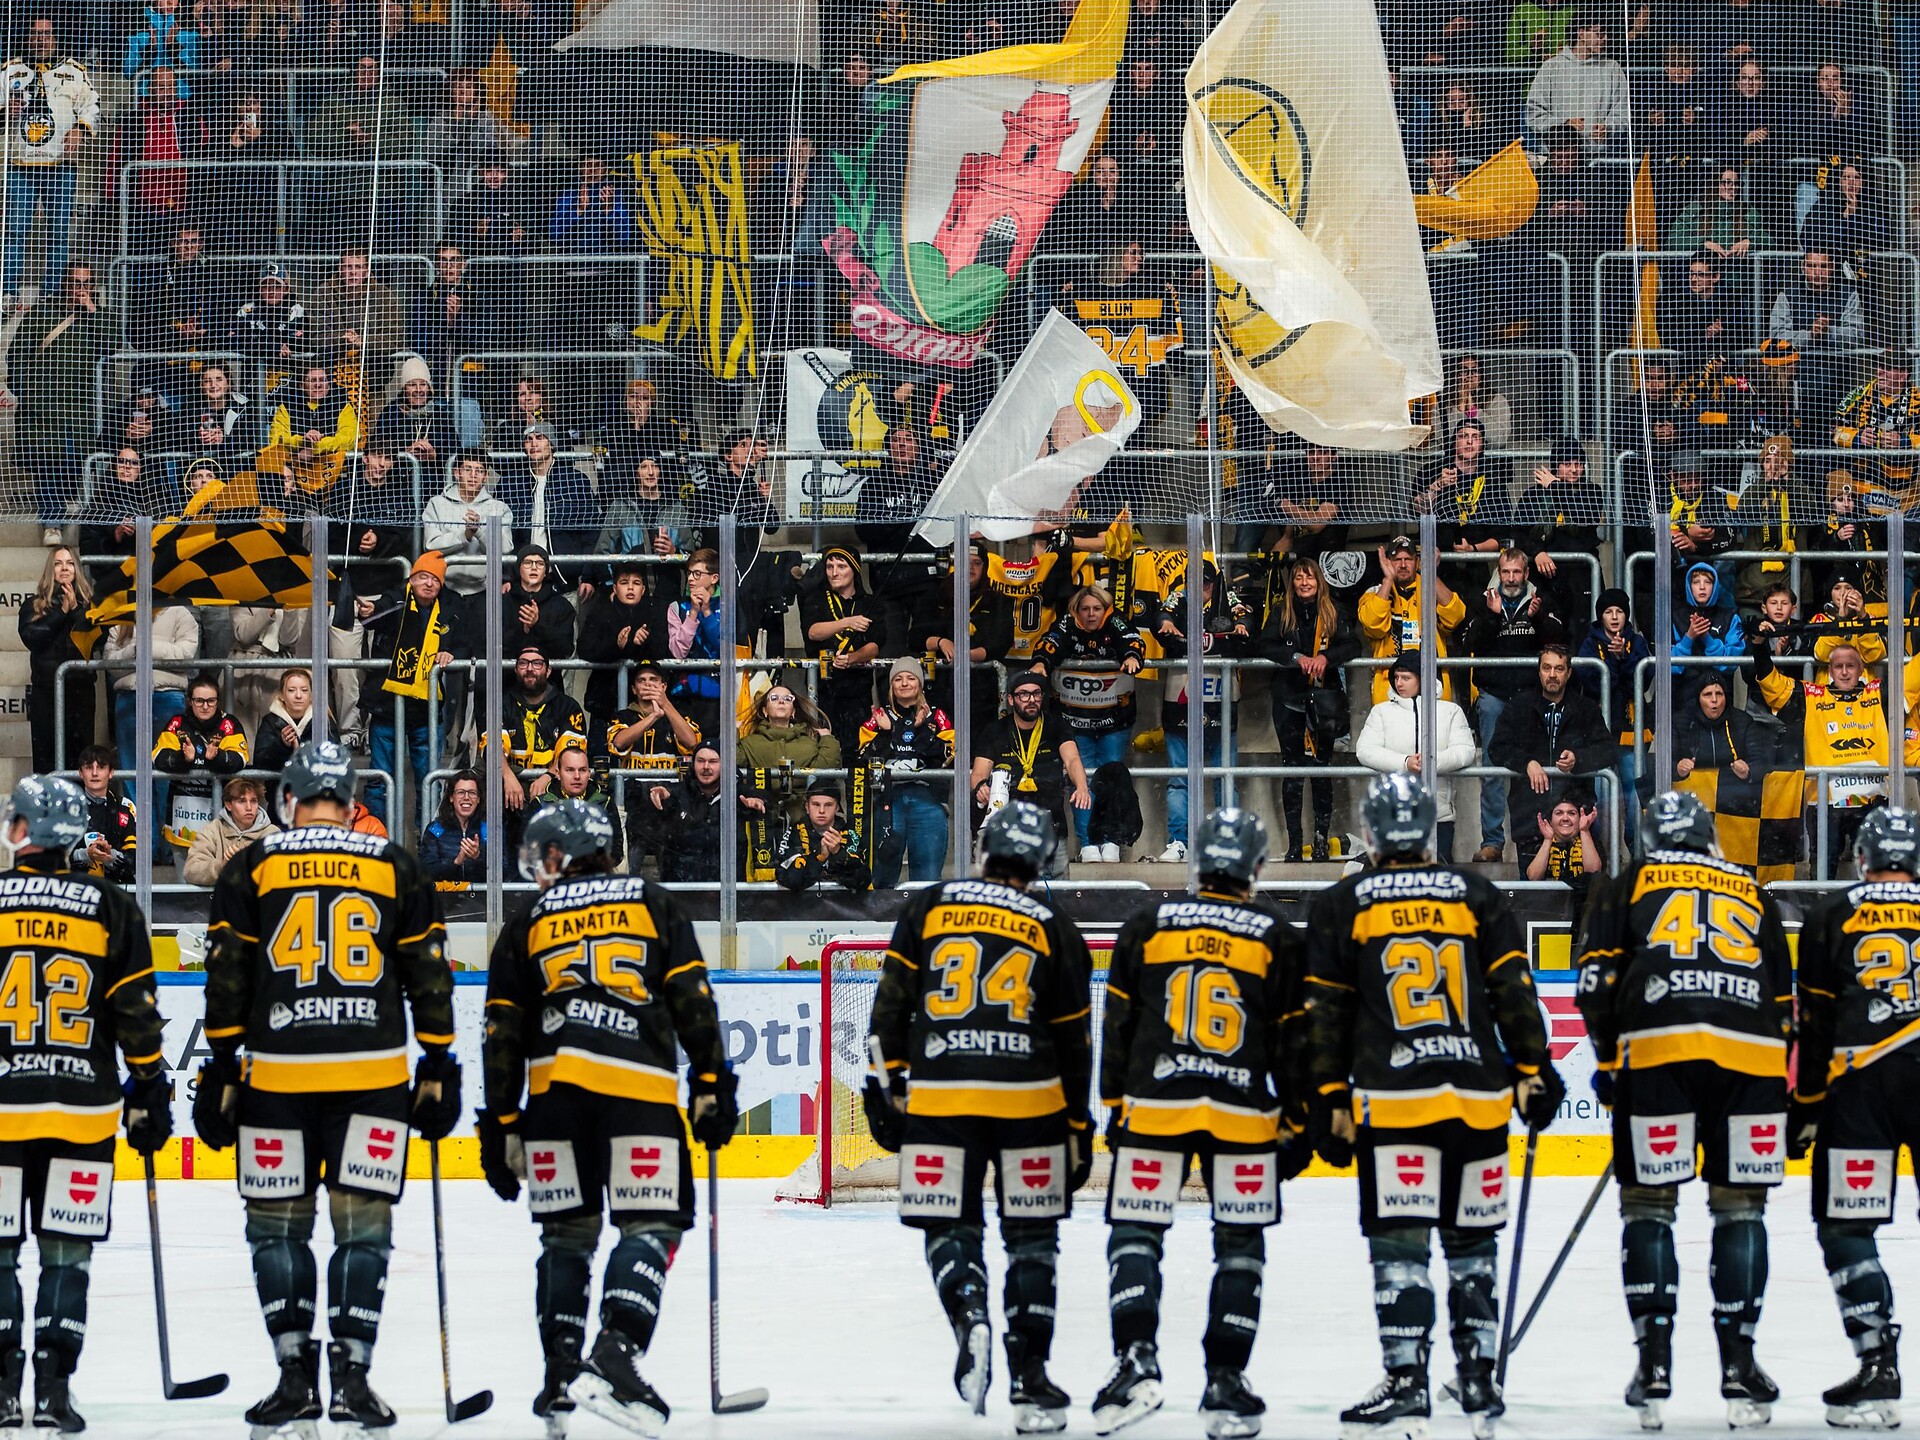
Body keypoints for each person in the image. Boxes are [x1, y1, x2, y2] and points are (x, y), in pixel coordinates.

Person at [193, 741, 458, 1438]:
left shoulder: (252, 865)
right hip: (371, 1079)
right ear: (350, 802)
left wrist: (220, 1065)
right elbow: (429, 971)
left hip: (276, 1077)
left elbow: (226, 974)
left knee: (276, 1228)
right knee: (363, 1230)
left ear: (288, 798)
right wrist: (438, 1062)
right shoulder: (395, 865)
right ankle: (353, 1378)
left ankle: (291, 1378)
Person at [1305, 775, 1561, 1436]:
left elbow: (1326, 1015)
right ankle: (1477, 1379)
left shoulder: (1345, 900)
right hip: (1478, 1097)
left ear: (1372, 832)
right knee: (1472, 1243)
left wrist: (1327, 1096)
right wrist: (1535, 1069)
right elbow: (1513, 989)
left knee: (1401, 1244)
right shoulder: (1476, 892)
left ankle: (1407, 1379)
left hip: (1395, 1103)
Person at [476, 798, 737, 1433]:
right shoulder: (652, 902)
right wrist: (711, 1082)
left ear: (561, 854)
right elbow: (692, 999)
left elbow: (501, 1032)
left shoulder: (529, 916)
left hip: (553, 1099)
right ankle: (616, 1350)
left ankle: (561, 1375)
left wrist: (501, 1124)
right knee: (653, 1224)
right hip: (636, 1092)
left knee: (564, 1239)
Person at [864, 802, 1093, 1426]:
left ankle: (969, 1314)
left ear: (984, 848)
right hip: (1032, 1101)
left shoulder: (929, 906)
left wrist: (885, 1087)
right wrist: (1078, 1127)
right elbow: (1075, 1042)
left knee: (949, 1226)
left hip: (941, 1097)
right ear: (1042, 858)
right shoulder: (1056, 925)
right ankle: (1032, 1382)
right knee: (1033, 1241)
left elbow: (888, 1014)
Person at [1574, 790, 1794, 1431]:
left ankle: (1655, 1363)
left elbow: (1595, 983)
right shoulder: (1750, 888)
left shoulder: (1627, 883)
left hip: (1659, 1054)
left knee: (1649, 1207)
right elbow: (1784, 1000)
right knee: (1740, 1208)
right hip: (1750, 1059)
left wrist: (1612, 1061)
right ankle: (1738, 1363)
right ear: (1706, 838)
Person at [1094, 809, 1308, 1436]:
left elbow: (1118, 1023)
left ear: (1199, 863)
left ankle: (1135, 1363)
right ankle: (1225, 1381)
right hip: (1242, 1112)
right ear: (1257, 867)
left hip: (1154, 1107)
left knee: (1136, 1234)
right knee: (1240, 1245)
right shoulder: (1274, 931)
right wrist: (1299, 1119)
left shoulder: (1149, 923)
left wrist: (1113, 1106)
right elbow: (1296, 1038)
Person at [0, 775, 166, 1429]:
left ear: (21, 832)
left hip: (2, 1113)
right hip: (82, 1113)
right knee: (67, 1252)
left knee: (1, 1250)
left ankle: (3, 1391)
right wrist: (148, 1087)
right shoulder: (109, 906)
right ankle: (52, 1392)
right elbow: (137, 1013)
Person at [1791, 808, 1920, 1429]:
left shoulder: (1833, 913)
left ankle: (1877, 1364)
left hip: (1860, 1086)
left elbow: (1812, 1024)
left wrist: (1806, 1106)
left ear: (1862, 858)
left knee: (1847, 1225)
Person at [1462, 549, 1570, 864]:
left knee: (1533, 768)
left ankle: (1536, 838)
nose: (1511, 578)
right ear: (1499, 572)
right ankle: (1492, 843)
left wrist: (1538, 618)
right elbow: (1470, 645)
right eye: (1506, 572)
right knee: (1493, 771)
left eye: (1517, 572)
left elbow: (1560, 644)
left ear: (1526, 574)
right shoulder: (1483, 600)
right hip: (1494, 696)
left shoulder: (1542, 601)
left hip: (1530, 699)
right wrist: (1492, 615)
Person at [1750, 640, 1889, 878]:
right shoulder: (1813, 697)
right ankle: (1821, 910)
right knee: (1823, 870)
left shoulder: (1877, 693)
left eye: (1851, 666)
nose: (1844, 672)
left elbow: (1912, 676)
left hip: (1871, 802)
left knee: (1877, 871)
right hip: (1826, 804)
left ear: (1860, 670)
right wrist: (1759, 646)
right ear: (1830, 671)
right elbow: (1773, 686)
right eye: (1838, 666)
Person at [1030, 585, 1145, 862]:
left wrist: (1132, 656)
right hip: (1074, 721)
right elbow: (1050, 641)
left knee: (1113, 778)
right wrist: (1041, 662)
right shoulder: (1068, 624)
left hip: (1114, 720)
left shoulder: (1114, 620)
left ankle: (1112, 842)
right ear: (1076, 611)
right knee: (1080, 780)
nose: (1091, 614)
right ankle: (1089, 843)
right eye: (1085, 609)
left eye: (1096, 609)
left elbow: (1134, 640)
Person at [359, 551, 471, 823]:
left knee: (430, 780)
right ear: (411, 579)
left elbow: (466, 642)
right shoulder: (395, 598)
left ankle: (428, 843)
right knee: (379, 780)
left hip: (426, 710)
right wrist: (371, 610)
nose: (429, 584)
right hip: (387, 707)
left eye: (435, 579)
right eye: (423, 577)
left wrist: (450, 652)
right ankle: (378, 842)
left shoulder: (452, 605)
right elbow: (374, 618)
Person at [1486, 643, 1619, 873]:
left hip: (1576, 815)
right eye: (1546, 668)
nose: (1552, 675)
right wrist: (1527, 762)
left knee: (1581, 895)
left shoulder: (1585, 708)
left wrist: (1578, 759)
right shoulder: (1519, 705)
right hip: (1530, 815)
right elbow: (1497, 748)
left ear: (1568, 673)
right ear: (1539, 671)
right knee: (1533, 896)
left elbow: (1607, 749)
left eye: (1559, 669)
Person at [1151, 563, 1253, 864]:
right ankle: (1179, 842)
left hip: (1222, 699)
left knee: (1225, 776)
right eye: (1194, 582)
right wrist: (1167, 622)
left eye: (1206, 583)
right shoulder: (1178, 597)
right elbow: (1162, 618)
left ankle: (1228, 840)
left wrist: (1242, 625)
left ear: (1213, 584)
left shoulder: (1226, 597)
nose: (1200, 589)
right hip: (1179, 698)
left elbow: (1245, 622)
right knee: (1180, 778)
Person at [1259, 555, 1358, 862]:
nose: (1304, 583)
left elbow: (1353, 645)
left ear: (1319, 581)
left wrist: (1326, 658)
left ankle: (1319, 841)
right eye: (1299, 578)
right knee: (1292, 770)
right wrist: (1296, 657)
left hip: (1323, 700)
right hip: (1289, 700)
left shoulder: (1334, 610)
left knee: (1320, 769)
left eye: (1310, 578)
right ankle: (1294, 844)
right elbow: (1263, 644)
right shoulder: (1282, 611)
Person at [1, 20, 100, 311]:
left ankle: (51, 295)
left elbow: (92, 105)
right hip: (21, 165)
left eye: (47, 34)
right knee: (15, 230)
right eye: (35, 34)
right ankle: (8, 293)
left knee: (58, 232)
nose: (41, 39)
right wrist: (6, 111)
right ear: (27, 37)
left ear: (56, 37)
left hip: (60, 166)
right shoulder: (11, 71)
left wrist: (81, 128)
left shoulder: (73, 71)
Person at [1355, 652, 1479, 863]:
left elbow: (1465, 750)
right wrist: (1405, 763)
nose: (1399, 683)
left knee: (1434, 878)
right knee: (1393, 880)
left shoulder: (1450, 711)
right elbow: (1365, 750)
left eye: (1406, 677)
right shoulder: (1381, 712)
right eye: (1396, 677)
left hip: (1438, 815)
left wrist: (1431, 762)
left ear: (1424, 678)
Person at [970, 672, 1091, 880]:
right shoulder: (994, 731)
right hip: (1006, 826)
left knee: (1057, 895)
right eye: (1023, 695)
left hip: (1050, 823)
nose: (1031, 700)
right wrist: (980, 786)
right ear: (1011, 699)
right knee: (1005, 890)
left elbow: (1072, 759)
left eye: (1036, 694)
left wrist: (1081, 786)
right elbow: (979, 771)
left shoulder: (1057, 726)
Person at [861, 658, 955, 887]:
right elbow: (864, 759)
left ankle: (924, 921)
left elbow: (948, 758)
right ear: (891, 685)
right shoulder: (878, 716)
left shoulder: (936, 716)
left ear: (920, 684)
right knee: (881, 873)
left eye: (911, 678)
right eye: (898, 679)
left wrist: (921, 729)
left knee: (927, 876)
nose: (904, 683)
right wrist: (886, 734)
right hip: (886, 799)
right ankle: (878, 921)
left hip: (928, 798)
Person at [800, 546, 891, 762]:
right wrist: (847, 623)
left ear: (855, 570)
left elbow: (875, 645)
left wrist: (851, 658)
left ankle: (855, 794)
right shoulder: (816, 598)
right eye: (830, 566)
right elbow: (813, 632)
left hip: (857, 688)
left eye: (841, 566)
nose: (834, 572)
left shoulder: (869, 602)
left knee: (858, 752)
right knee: (823, 749)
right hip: (823, 687)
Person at [152, 672, 248, 865]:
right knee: (185, 879)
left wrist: (217, 758)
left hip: (220, 814)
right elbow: (158, 757)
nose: (205, 706)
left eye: (211, 701)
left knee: (217, 876)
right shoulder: (177, 724)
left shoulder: (228, 724)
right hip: (182, 815)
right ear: (189, 701)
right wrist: (183, 759)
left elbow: (240, 759)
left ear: (218, 701)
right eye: (199, 701)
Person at [1357, 536, 1468, 704]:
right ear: (1388, 562)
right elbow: (1373, 625)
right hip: (1390, 686)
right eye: (1397, 559)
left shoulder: (1433, 587)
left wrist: (1430, 574)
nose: (1402, 565)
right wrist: (1388, 580)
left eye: (1408, 559)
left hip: (1433, 684)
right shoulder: (1376, 592)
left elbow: (1455, 616)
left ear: (1417, 562)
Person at [644, 740, 765, 884]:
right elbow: (664, 795)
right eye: (700, 761)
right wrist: (661, 793)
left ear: (724, 765)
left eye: (713, 761)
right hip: (683, 890)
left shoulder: (738, 796)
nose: (706, 767)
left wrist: (761, 803)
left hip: (726, 892)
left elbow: (763, 803)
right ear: (693, 764)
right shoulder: (678, 794)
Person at [18, 547, 94, 773]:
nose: (64, 568)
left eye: (69, 563)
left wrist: (74, 611)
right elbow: (32, 637)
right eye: (58, 563)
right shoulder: (34, 604)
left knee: (80, 758)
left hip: (80, 692)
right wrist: (61, 612)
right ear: (50, 570)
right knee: (46, 760)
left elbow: (96, 643)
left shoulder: (90, 606)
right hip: (46, 692)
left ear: (76, 569)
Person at [738, 682, 843, 827]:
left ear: (793, 711)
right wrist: (732, 734)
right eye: (774, 698)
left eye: (788, 699)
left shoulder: (809, 743)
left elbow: (826, 767)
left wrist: (828, 739)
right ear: (764, 711)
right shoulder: (749, 743)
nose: (781, 701)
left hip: (800, 816)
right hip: (761, 812)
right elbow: (734, 761)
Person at [1525, 11, 1629, 151]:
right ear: (1580, 33)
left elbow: (1623, 113)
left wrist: (1609, 128)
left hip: (1600, 160)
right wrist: (1564, 124)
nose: (1605, 39)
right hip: (1559, 160)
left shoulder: (1613, 69)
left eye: (1606, 34)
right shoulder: (1551, 67)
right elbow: (1533, 114)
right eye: (1599, 34)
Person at [422, 451, 516, 596]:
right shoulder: (437, 503)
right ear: (456, 473)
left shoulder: (498, 508)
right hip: (443, 588)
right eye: (467, 469)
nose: (473, 475)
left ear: (486, 477)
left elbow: (504, 549)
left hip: (485, 590)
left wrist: (479, 532)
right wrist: (464, 536)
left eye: (479, 470)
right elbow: (430, 545)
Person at [774, 778, 872, 893]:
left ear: (837, 808)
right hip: (803, 905)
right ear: (807, 807)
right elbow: (787, 879)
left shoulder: (849, 834)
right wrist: (819, 858)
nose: (821, 811)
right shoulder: (794, 833)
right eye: (816, 804)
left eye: (828, 805)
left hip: (842, 904)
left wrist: (838, 853)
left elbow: (863, 881)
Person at [534, 747, 625, 869]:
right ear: (558, 773)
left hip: (592, 878)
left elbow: (616, 852)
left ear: (589, 773)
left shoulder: (605, 804)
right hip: (552, 878)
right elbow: (529, 850)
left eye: (582, 770)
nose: (577, 776)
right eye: (570, 770)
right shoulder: (540, 804)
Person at [183, 775, 276, 885]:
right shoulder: (213, 830)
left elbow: (279, 873)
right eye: (242, 801)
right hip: (220, 900)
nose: (249, 807)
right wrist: (223, 866)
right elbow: (191, 871)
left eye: (253, 801)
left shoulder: (272, 834)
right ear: (228, 805)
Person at [1524, 796, 1602, 922]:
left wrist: (1584, 831)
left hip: (1583, 914)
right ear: (1550, 821)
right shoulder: (1538, 844)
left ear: (1579, 819)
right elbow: (1533, 876)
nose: (1565, 818)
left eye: (1571, 813)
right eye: (1559, 813)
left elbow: (1593, 871)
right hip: (1546, 912)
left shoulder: (1590, 842)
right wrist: (1548, 840)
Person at [500, 544, 577, 661]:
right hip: (510, 675)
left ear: (546, 572)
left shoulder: (562, 605)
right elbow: (495, 646)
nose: (534, 567)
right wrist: (524, 629)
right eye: (528, 563)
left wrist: (537, 624)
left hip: (547, 676)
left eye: (540, 564)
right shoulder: (503, 603)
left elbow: (565, 649)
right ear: (518, 569)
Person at [73, 745, 136, 883]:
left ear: (111, 773)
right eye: (89, 767)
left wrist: (110, 856)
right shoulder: (66, 808)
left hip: (116, 890)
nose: (95, 773)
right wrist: (86, 855)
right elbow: (56, 859)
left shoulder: (125, 807)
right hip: (76, 891)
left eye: (101, 767)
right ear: (80, 773)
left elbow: (136, 862)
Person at [420, 769, 487, 885]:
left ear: (479, 799)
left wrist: (478, 858)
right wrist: (456, 862)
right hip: (445, 899)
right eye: (461, 792)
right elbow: (426, 872)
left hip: (482, 900)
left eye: (472, 793)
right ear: (451, 797)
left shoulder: (490, 828)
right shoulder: (435, 829)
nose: (466, 797)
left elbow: (504, 870)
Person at [253, 667, 317, 773]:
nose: (298, 695)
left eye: (304, 690)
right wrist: (281, 745)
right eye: (291, 690)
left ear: (311, 695)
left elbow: (336, 760)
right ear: (281, 695)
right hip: (279, 787)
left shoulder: (324, 721)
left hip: (315, 787)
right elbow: (260, 763)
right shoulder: (271, 721)